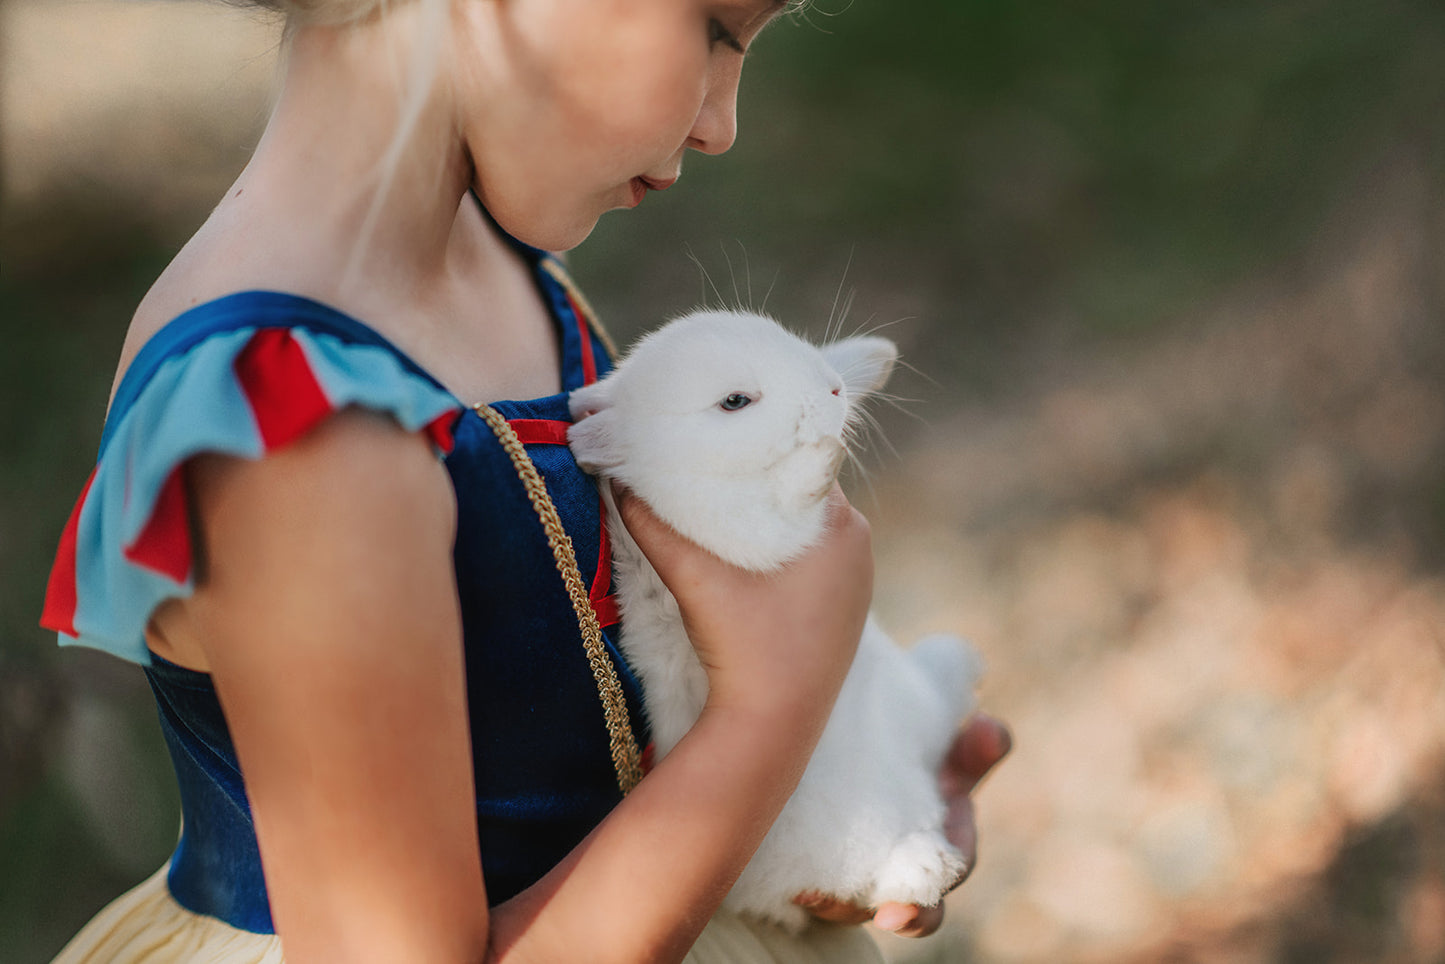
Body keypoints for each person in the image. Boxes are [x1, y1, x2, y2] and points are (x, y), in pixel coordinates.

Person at [40, 0, 1011, 960]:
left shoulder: (505, 266)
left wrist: (837, 813)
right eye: (714, 29)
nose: (721, 124)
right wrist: (768, 717)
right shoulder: (295, 429)